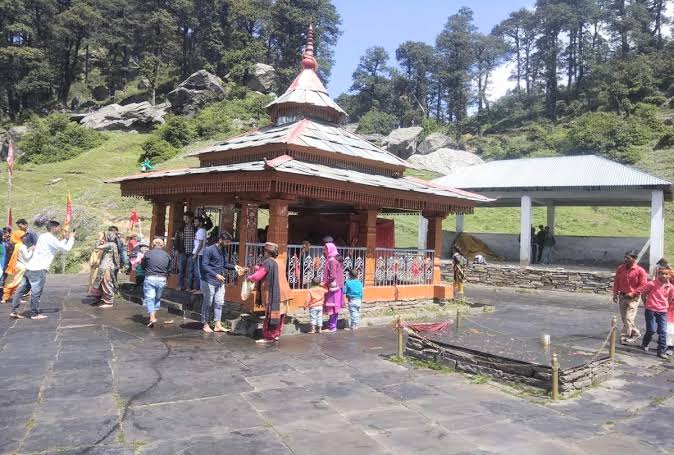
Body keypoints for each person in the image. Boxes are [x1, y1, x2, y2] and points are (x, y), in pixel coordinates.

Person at [9, 221, 75, 319]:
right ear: (53, 228)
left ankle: (14, 311)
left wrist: (65, 239)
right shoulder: (51, 238)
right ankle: (34, 313)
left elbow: (56, 246)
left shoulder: (43, 236)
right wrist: (72, 238)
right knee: (36, 292)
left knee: (21, 289)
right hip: (39, 269)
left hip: (30, 267)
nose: (59, 229)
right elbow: (65, 249)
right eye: (58, 227)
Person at [247, 242, 292, 343]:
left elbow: (258, 276)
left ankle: (268, 337)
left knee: (271, 316)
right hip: (284, 293)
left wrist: (249, 277)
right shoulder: (279, 262)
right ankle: (276, 335)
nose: (264, 253)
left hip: (274, 294)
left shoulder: (268, 262)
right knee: (280, 316)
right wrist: (259, 268)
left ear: (267, 252)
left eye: (265, 251)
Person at [200, 232, 244, 333]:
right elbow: (205, 265)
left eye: (229, 242)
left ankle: (217, 324)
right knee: (208, 302)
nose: (228, 244)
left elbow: (224, 264)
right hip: (208, 280)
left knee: (219, 302)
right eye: (227, 242)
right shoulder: (209, 250)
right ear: (220, 240)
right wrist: (216, 274)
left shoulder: (223, 250)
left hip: (219, 281)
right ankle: (205, 323)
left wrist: (235, 267)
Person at [612, 250, 648, 344]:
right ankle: (629, 334)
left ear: (634, 259)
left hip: (633, 298)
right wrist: (615, 293)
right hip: (622, 296)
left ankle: (631, 334)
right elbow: (617, 281)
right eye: (625, 257)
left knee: (629, 318)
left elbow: (643, 285)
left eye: (628, 258)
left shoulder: (640, 271)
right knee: (624, 318)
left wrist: (633, 293)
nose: (625, 260)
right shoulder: (620, 268)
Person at [639, 267, 674, 359]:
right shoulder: (652, 284)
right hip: (651, 309)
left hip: (662, 311)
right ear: (658, 274)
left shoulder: (670, 287)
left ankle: (661, 350)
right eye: (661, 273)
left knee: (663, 331)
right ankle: (645, 343)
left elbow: (670, 298)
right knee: (651, 329)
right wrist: (646, 303)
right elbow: (644, 294)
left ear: (669, 275)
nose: (663, 275)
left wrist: (665, 306)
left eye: (666, 274)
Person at [142, 238, 172, 327]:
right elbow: (169, 269)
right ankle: (153, 316)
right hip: (162, 279)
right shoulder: (167, 255)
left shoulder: (147, 254)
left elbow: (143, 266)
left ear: (152, 245)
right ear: (163, 246)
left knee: (150, 298)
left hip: (150, 277)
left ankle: (152, 317)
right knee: (157, 298)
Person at [1, 231, 33, 304]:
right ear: (20, 237)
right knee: (19, 283)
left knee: (9, 281)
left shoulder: (14, 245)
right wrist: (31, 251)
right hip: (21, 266)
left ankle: (5, 298)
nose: (25, 238)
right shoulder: (22, 246)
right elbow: (27, 257)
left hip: (13, 266)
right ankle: (18, 298)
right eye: (23, 236)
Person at [91, 231, 120, 308]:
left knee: (106, 284)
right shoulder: (113, 244)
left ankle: (109, 302)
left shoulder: (110, 244)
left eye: (105, 236)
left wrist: (99, 239)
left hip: (106, 266)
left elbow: (96, 246)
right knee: (104, 283)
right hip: (107, 266)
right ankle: (105, 299)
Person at [322, 242, 345, 332]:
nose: (324, 251)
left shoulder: (331, 261)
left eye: (325, 249)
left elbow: (333, 275)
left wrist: (324, 282)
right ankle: (332, 325)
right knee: (334, 307)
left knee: (332, 307)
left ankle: (332, 326)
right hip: (337, 287)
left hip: (334, 288)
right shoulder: (333, 259)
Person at [173, 211, 195, 291]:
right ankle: (180, 285)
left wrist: (205, 216)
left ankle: (189, 287)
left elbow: (209, 225)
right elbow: (176, 239)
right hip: (182, 252)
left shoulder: (195, 228)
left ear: (191, 218)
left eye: (187, 218)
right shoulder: (181, 228)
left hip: (192, 253)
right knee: (181, 270)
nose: (185, 219)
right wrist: (176, 249)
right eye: (184, 218)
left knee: (190, 270)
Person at [192, 216, 207, 294]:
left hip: (199, 254)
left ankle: (201, 289)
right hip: (198, 253)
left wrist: (196, 254)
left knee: (199, 272)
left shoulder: (201, 231)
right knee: (197, 272)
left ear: (200, 223)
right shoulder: (200, 231)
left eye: (196, 222)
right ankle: (197, 288)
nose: (194, 223)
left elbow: (200, 243)